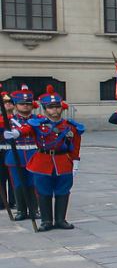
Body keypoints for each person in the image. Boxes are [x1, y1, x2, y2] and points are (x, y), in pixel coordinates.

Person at [13, 89, 82, 232]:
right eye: (50, 107)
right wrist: (16, 133)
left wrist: (75, 162)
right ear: (44, 109)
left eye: (57, 106)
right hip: (42, 161)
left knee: (63, 190)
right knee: (43, 191)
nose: (55, 110)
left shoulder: (70, 126)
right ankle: (46, 221)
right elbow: (26, 130)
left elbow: (75, 146)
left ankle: (61, 219)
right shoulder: (37, 124)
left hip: (63, 161)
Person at [2, 88, 38, 224]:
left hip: (33, 154)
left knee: (33, 183)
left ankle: (34, 209)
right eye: (22, 103)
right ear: (16, 105)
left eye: (28, 103)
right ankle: (21, 210)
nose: (25, 106)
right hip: (15, 154)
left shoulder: (37, 119)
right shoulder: (7, 121)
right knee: (17, 184)